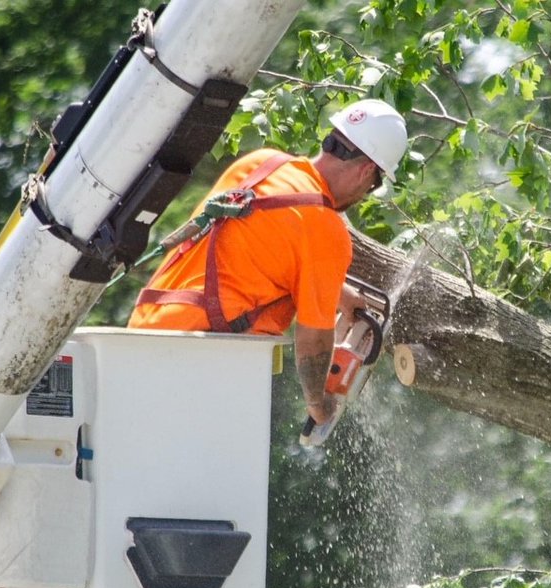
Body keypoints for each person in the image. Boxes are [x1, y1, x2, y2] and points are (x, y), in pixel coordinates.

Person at [128, 98, 408, 427]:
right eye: (373, 187)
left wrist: (338, 292)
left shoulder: (262, 164)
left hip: (141, 339)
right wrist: (320, 406)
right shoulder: (326, 230)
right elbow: (314, 340)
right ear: (366, 172)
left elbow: (252, 253)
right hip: (204, 358)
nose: (365, 194)